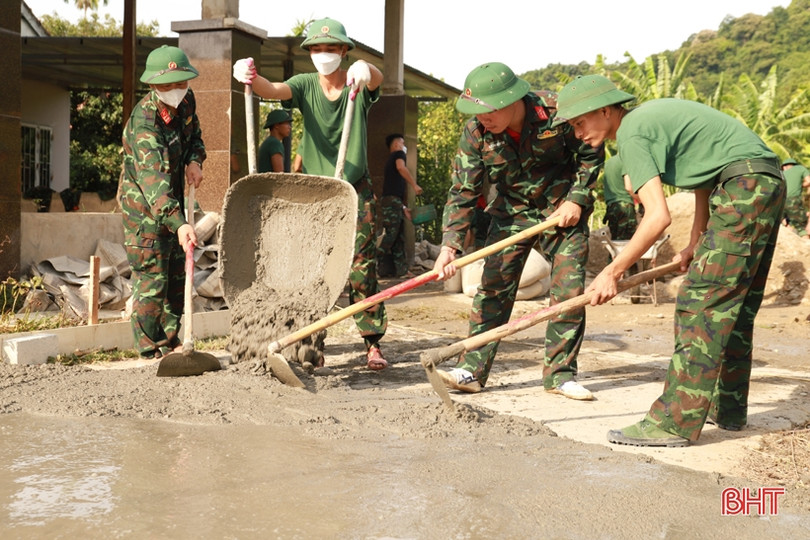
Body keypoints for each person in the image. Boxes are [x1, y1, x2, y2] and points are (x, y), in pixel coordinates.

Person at [554, 74, 786, 447]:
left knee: (701, 305)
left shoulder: (631, 132)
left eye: (580, 122)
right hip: (762, 179)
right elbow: (704, 174)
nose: (578, 133)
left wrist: (612, 271)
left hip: (742, 187)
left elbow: (657, 216)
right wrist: (696, 239)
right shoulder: (651, 121)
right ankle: (728, 408)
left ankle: (674, 423)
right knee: (733, 304)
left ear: (605, 110)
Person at [431, 63, 604, 399]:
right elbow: (463, 191)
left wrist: (577, 200)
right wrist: (449, 247)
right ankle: (472, 370)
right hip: (511, 212)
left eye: (489, 112)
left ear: (512, 100)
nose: (483, 120)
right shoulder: (476, 132)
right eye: (476, 113)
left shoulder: (556, 112)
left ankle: (560, 375)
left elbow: (591, 151)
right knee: (493, 288)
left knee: (568, 290)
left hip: (561, 209)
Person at [232, 17, 389, 370]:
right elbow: (271, 90)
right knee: (313, 272)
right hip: (317, 195)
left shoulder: (356, 85)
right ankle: (310, 346)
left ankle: (372, 342)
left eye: (330, 48)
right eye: (317, 49)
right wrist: (248, 76)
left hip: (354, 190)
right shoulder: (305, 84)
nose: (323, 55)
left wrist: (366, 69)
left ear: (344, 51)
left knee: (362, 269)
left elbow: (376, 79)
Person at [120, 45, 204, 359]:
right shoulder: (145, 123)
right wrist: (179, 222)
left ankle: (171, 341)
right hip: (145, 211)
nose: (175, 91)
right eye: (167, 85)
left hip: (175, 205)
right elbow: (153, 183)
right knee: (153, 278)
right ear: (154, 85)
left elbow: (196, 136)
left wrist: (195, 160)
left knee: (176, 276)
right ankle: (149, 348)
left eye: (180, 83)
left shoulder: (187, 102)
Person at [378, 133, 423, 278]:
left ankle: (402, 271)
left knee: (398, 236)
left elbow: (392, 188)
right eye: (403, 143)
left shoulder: (390, 160)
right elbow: (401, 168)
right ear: (396, 145)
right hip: (391, 201)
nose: (404, 147)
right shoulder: (398, 154)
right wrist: (414, 185)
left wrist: (403, 208)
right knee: (391, 235)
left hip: (393, 201)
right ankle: (370, 263)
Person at [602, 154, 640, 240]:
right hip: (625, 208)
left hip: (611, 208)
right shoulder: (626, 160)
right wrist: (641, 201)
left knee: (616, 242)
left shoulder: (608, 163)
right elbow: (629, 187)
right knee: (626, 244)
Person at [780, 158, 810, 236]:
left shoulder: (781, 174)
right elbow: (809, 181)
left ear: (784, 167)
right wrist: (801, 185)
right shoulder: (800, 168)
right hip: (793, 201)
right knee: (801, 227)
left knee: (783, 223)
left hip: (780, 201)